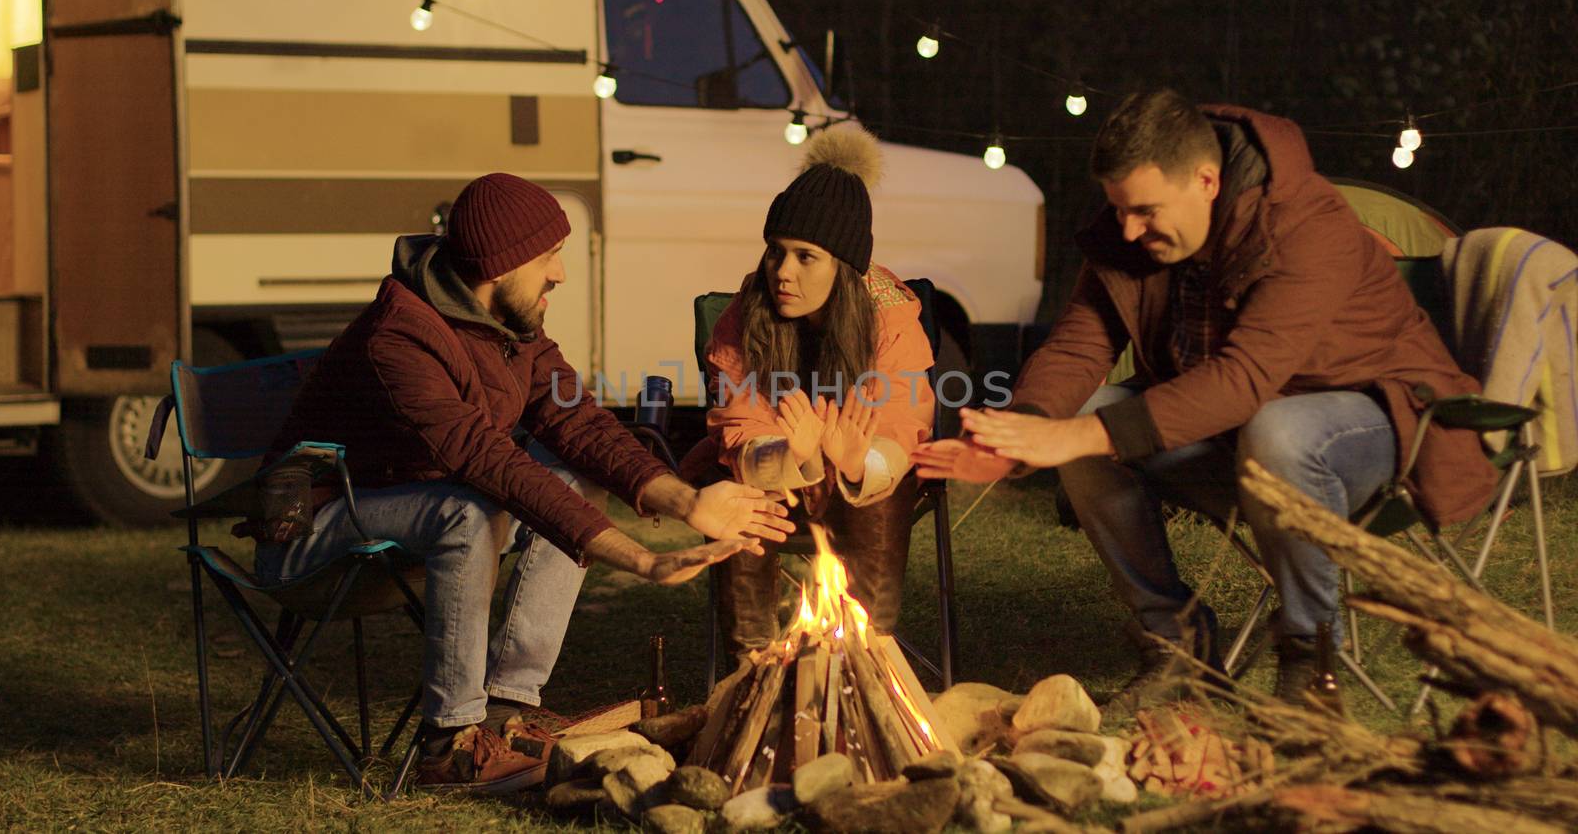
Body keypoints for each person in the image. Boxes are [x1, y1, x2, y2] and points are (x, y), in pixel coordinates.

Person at [914, 90, 1495, 709]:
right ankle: (1178, 645)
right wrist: (1023, 432)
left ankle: (1310, 660)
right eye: (1119, 210)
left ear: (1207, 180)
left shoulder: (1304, 221)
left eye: (1144, 210)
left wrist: (1074, 437)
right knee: (1085, 417)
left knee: (1279, 429)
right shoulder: (1131, 235)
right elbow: (1077, 349)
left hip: (1372, 422)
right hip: (1231, 435)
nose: (1130, 229)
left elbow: (1247, 378)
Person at [255, 173, 793, 790]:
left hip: (400, 512)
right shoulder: (398, 341)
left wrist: (687, 500)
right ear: (500, 265)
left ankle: (509, 710)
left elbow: (580, 422)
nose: (559, 274)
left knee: (570, 478)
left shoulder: (508, 327)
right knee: (471, 511)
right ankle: (448, 745)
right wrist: (641, 560)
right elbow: (489, 463)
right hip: (310, 532)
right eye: (547, 257)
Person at [685, 125, 936, 658]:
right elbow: (739, 426)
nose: (782, 272)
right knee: (741, 496)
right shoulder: (747, 314)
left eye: (805, 256)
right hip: (779, 486)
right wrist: (789, 455)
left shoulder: (887, 316)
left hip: (857, 492)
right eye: (776, 252)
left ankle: (865, 658)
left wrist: (856, 461)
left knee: (885, 490)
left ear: (842, 266)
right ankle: (751, 663)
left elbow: (902, 421)